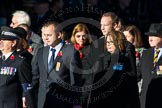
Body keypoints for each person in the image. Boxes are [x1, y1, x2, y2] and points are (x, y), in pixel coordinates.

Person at [30, 21, 80, 108]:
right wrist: (28, 96)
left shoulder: (70, 51)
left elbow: (75, 80)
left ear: (59, 35)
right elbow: (36, 76)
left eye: (49, 35)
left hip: (62, 102)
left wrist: (76, 102)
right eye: (43, 35)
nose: (45, 38)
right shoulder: (41, 51)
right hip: (42, 101)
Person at [88, 30, 140, 108]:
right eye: (107, 42)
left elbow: (127, 76)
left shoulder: (123, 58)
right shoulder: (104, 58)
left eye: (111, 42)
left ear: (118, 42)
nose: (108, 44)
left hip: (120, 98)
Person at [0, 26, 32, 108]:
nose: (1, 42)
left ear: (13, 43)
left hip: (10, 104)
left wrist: (25, 97)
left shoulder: (20, 61)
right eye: (0, 40)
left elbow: (26, 84)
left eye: (4, 40)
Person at [139, 23, 162, 108]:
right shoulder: (145, 53)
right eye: (149, 36)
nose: (150, 39)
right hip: (145, 101)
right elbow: (138, 74)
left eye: (154, 35)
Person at [123, 25, 146, 92]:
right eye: (123, 37)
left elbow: (144, 71)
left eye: (127, 36)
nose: (125, 39)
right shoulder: (121, 52)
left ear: (134, 37)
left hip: (138, 87)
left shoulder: (143, 52)